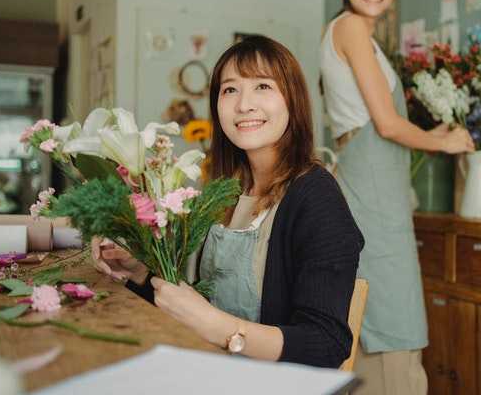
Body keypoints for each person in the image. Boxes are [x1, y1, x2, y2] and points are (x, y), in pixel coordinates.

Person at [92, 35, 364, 368]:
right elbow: (195, 307)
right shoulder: (224, 192)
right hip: (209, 369)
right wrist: (138, 273)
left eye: (263, 87)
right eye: (230, 89)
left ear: (292, 100)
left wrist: (220, 328)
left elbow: (325, 344)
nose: (244, 104)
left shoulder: (316, 196)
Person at [320, 0, 475, 393]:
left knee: (376, 309)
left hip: (373, 181)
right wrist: (443, 142)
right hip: (371, 184)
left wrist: (433, 133)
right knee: (393, 311)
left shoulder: (360, 38)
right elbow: (386, 125)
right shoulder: (350, 27)